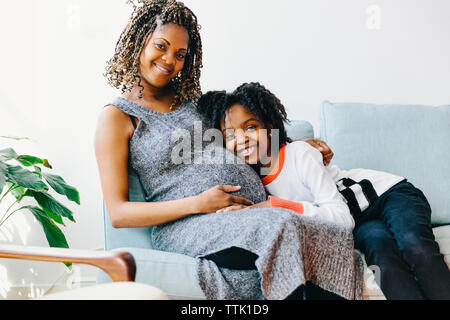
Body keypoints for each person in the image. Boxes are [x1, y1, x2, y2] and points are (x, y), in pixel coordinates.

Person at [95, 0, 362, 300]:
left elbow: (241, 136)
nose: (169, 60)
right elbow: (118, 212)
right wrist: (199, 203)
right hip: (189, 225)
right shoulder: (118, 117)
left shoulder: (191, 102)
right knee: (285, 226)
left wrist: (289, 145)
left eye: (180, 54)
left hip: (244, 214)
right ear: (139, 39)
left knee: (326, 233)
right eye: (161, 46)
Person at [202, 81, 450, 300]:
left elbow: (340, 217)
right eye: (231, 134)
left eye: (250, 127)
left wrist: (278, 205)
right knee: (381, 250)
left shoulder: (299, 154)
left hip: (390, 195)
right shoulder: (252, 181)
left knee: (413, 245)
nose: (242, 139)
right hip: (361, 220)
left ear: (269, 125)